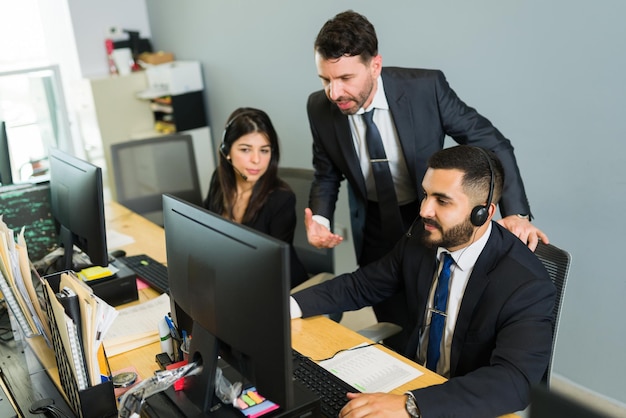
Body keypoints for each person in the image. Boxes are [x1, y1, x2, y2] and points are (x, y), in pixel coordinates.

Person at [304, 10, 549, 350]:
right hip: (374, 229)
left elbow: (493, 143)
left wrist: (516, 213)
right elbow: (326, 172)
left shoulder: (425, 88)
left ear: (375, 65)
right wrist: (319, 216)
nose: (334, 92)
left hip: (432, 217)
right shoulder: (319, 107)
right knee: (397, 332)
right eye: (325, 79)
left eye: (345, 78)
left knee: (442, 323)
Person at [292, 145, 556, 417]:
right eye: (426, 194)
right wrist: (287, 306)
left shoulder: (527, 285)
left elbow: (514, 381)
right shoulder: (424, 236)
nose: (424, 210)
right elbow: (363, 285)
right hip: (411, 377)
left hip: (459, 404)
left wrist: (412, 404)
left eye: (442, 201)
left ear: (483, 214)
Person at [203, 107, 308, 288]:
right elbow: (203, 230)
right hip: (230, 277)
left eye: (264, 150)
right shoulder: (219, 179)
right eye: (245, 150)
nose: (256, 160)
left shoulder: (282, 199)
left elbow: (273, 266)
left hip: (276, 288)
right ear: (226, 151)